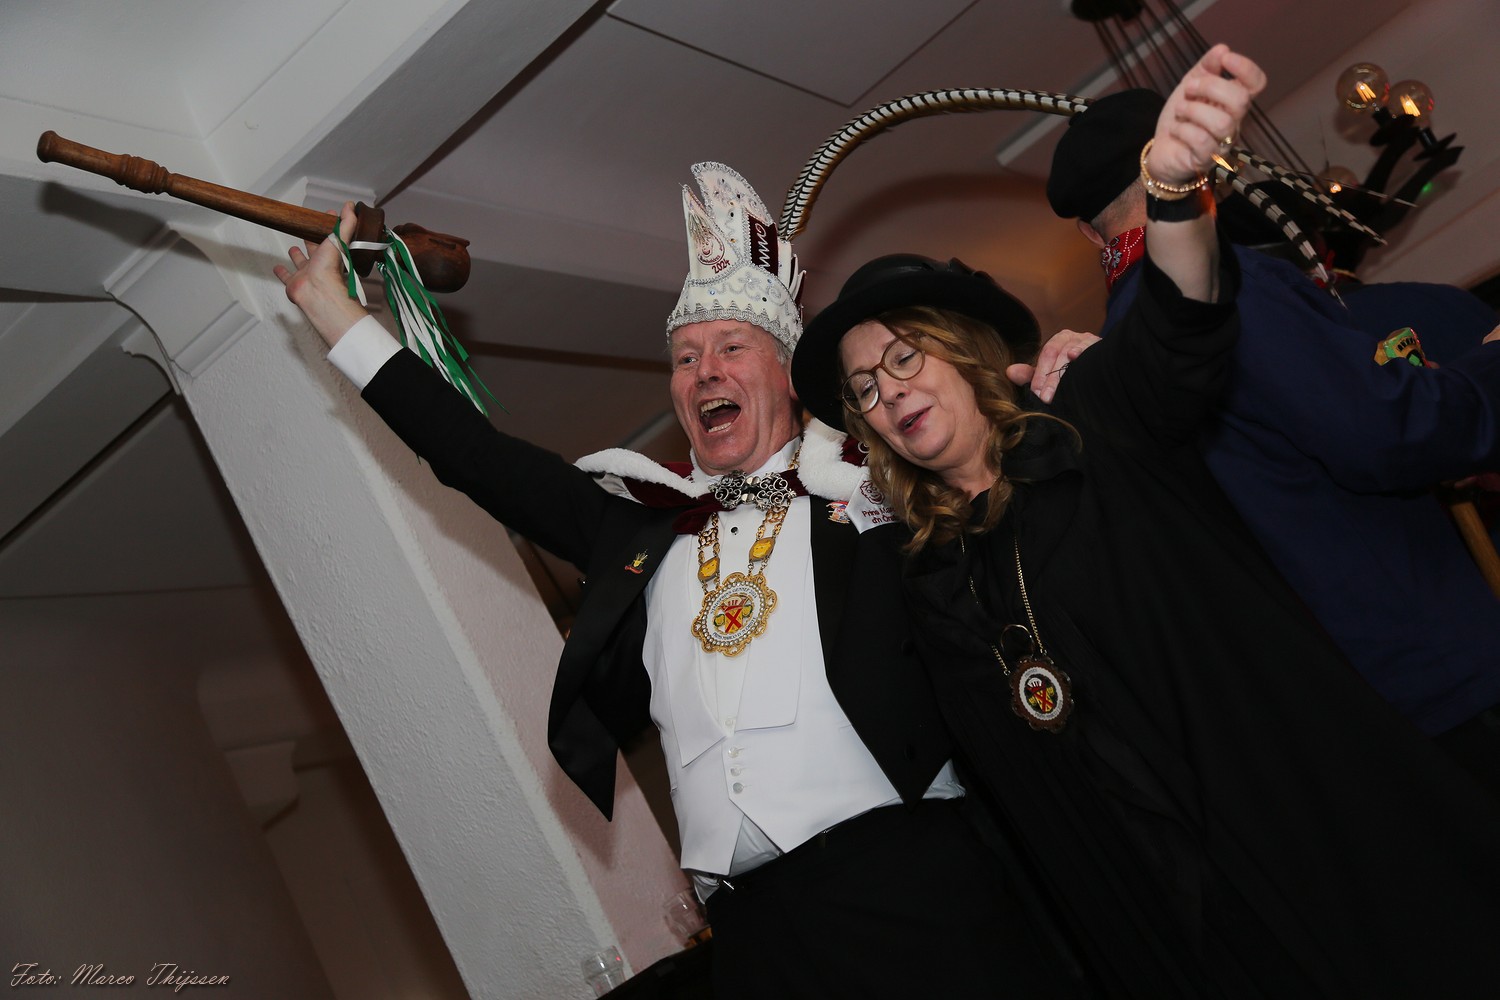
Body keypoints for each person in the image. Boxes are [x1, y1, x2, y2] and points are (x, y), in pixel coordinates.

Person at [791, 45, 1500, 999]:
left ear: (966, 351)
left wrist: (1171, 199)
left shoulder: (1092, 425)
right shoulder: (934, 578)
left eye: (906, 357)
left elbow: (1180, 323)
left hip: (1300, 821)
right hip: (1184, 910)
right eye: (865, 389)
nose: (890, 393)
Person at [275, 163, 1084, 998]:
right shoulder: (639, 524)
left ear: (789, 376)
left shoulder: (875, 493)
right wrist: (333, 311)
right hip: (752, 936)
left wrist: (1069, 388)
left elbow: (987, 467)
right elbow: (474, 456)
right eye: (686, 358)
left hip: (913, 889)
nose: (704, 372)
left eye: (732, 348)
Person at [1043, 86, 1500, 796]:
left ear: (1088, 234)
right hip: (1431, 654)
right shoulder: (1225, 289)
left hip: (1335, 708)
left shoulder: (1116, 364)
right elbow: (1385, 433)